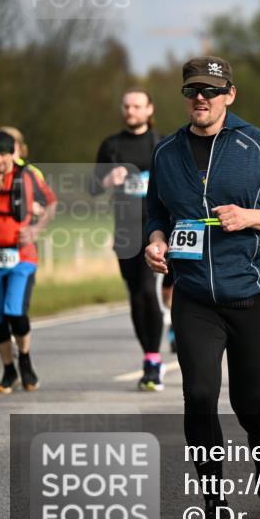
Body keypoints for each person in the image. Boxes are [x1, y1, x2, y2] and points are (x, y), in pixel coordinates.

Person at [143, 56, 260, 519]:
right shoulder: (166, 152)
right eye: (194, 90)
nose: (202, 98)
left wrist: (250, 217)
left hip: (257, 291)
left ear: (229, 95)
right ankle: (214, 502)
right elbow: (155, 210)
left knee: (249, 401)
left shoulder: (256, 145)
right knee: (197, 397)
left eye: (212, 91)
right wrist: (155, 242)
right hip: (194, 296)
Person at [92, 89, 172, 390]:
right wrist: (105, 180)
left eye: (137, 106)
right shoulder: (111, 146)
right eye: (126, 106)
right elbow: (93, 187)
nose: (131, 111)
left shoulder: (162, 144)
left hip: (157, 229)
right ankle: (150, 356)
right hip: (125, 230)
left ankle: (153, 361)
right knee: (136, 296)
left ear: (149, 109)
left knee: (148, 292)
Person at [0, 131, 56, 394]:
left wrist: (36, 230)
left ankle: (26, 361)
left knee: (15, 312)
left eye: (3, 154)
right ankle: (9, 370)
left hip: (22, 256)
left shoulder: (28, 175)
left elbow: (51, 204)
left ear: (12, 154)